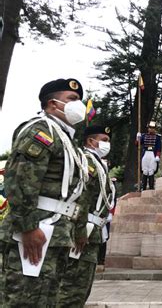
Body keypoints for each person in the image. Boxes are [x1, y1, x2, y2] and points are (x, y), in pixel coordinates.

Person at [0, 78, 89, 306]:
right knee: (22, 299)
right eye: (72, 99)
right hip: (37, 229)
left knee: (46, 300)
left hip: (56, 232)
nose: (78, 104)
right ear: (52, 104)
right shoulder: (40, 131)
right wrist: (28, 227)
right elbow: (19, 181)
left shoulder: (66, 139)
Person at [57, 125, 115, 306]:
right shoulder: (87, 162)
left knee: (81, 289)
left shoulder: (97, 163)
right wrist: (79, 230)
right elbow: (81, 196)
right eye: (103, 140)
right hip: (84, 230)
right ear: (91, 141)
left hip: (93, 232)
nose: (107, 144)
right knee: (72, 289)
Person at [136, 121, 161, 191]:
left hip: (153, 154)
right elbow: (137, 144)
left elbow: (159, 148)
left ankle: (151, 188)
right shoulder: (143, 136)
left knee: (151, 171)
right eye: (150, 128)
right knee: (145, 171)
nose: (151, 129)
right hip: (145, 153)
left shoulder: (158, 137)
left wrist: (158, 156)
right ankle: (143, 188)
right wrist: (138, 138)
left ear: (155, 129)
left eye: (153, 128)